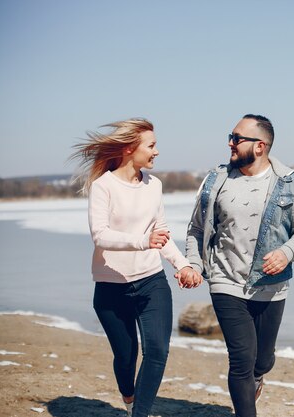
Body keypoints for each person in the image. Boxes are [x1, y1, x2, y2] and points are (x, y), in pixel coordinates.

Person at [69, 118, 202, 417]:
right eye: (151, 146)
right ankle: (129, 398)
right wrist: (144, 240)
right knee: (126, 357)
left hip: (151, 282)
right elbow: (100, 235)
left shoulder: (154, 185)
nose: (157, 152)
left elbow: (161, 233)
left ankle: (138, 414)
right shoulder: (104, 186)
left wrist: (182, 266)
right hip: (110, 287)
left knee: (156, 352)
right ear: (130, 148)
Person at [186, 114, 294, 417]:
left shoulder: (289, 181)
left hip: (271, 285)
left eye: (237, 138)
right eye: (230, 137)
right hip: (225, 280)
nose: (230, 143)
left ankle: (260, 376)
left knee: (262, 360)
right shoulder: (215, 180)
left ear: (260, 146)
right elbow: (195, 229)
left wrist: (286, 252)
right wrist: (194, 263)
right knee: (241, 359)